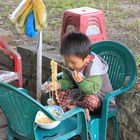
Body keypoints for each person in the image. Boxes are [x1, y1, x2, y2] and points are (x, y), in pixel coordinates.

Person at [44, 32, 115, 121]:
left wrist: (82, 82)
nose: (69, 65)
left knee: (91, 100)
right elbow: (68, 82)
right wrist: (58, 84)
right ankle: (78, 109)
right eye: (66, 60)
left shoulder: (94, 68)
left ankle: (75, 109)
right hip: (80, 94)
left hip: (99, 99)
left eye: (73, 62)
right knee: (56, 94)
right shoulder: (70, 64)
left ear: (87, 59)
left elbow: (94, 90)